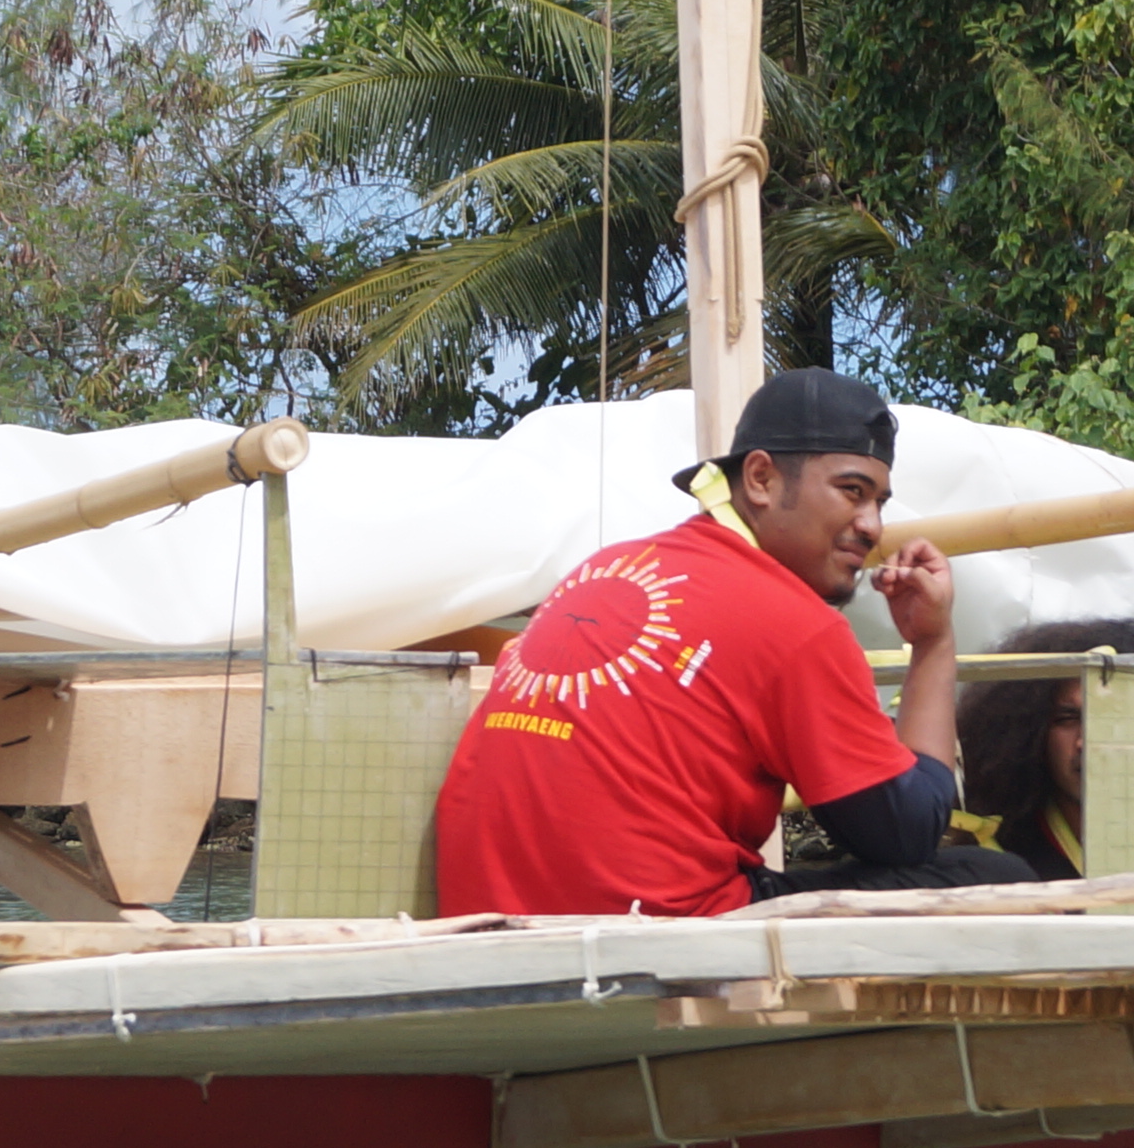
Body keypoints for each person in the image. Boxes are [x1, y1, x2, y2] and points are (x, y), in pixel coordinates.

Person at [434, 368, 1032, 916]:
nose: (873, 525)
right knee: (1000, 878)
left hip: (482, 920)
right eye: (852, 491)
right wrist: (933, 644)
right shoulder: (794, 622)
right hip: (648, 935)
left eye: (879, 501)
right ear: (762, 479)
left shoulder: (604, 568)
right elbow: (904, 833)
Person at [949, 619, 1134, 878]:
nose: (1087, 742)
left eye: (1114, 717)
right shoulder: (993, 864)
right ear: (1028, 734)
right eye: (1067, 719)